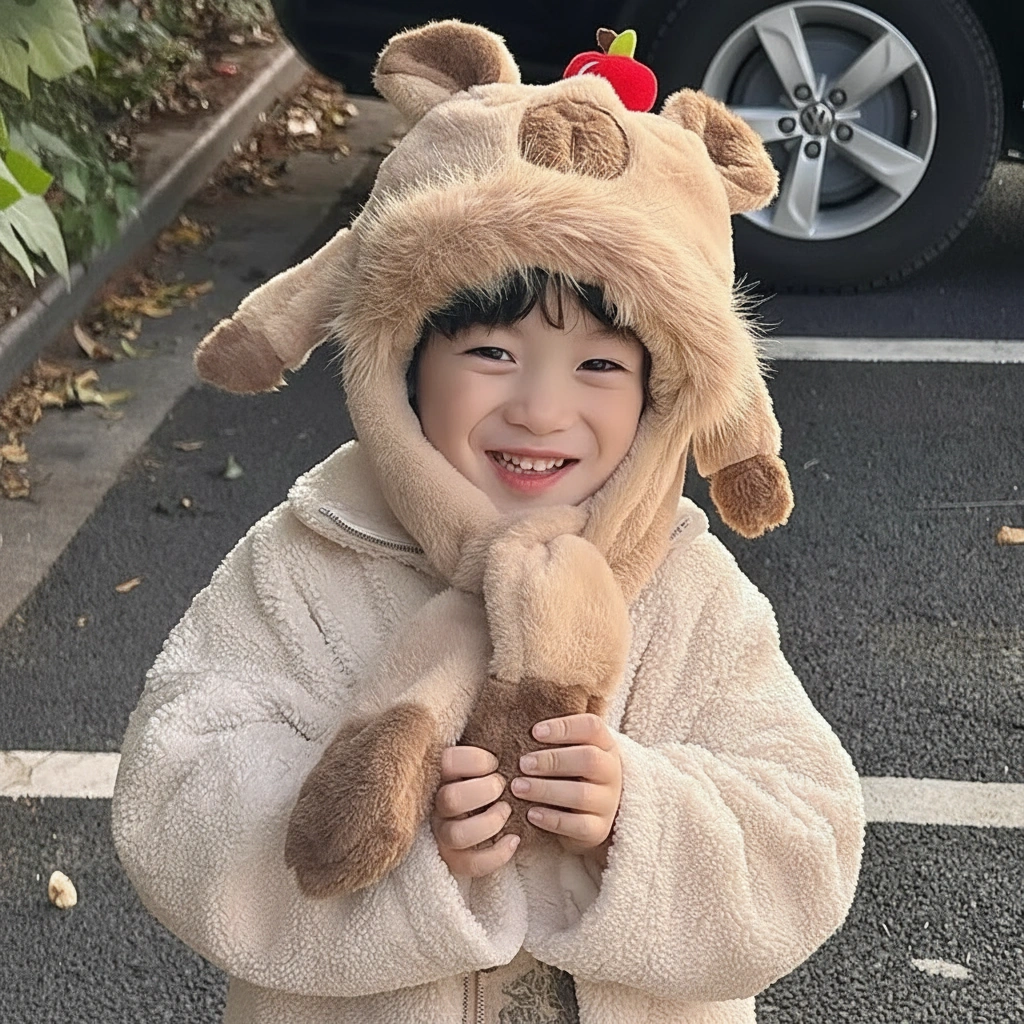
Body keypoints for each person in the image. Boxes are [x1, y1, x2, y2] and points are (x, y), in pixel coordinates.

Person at [112, 19, 865, 1024]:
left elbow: (808, 837)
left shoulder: (687, 591)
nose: (541, 409)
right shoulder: (308, 560)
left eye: (600, 364)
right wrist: (404, 841)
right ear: (402, 362)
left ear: (666, 396)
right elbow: (175, 793)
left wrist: (633, 812)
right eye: (491, 354)